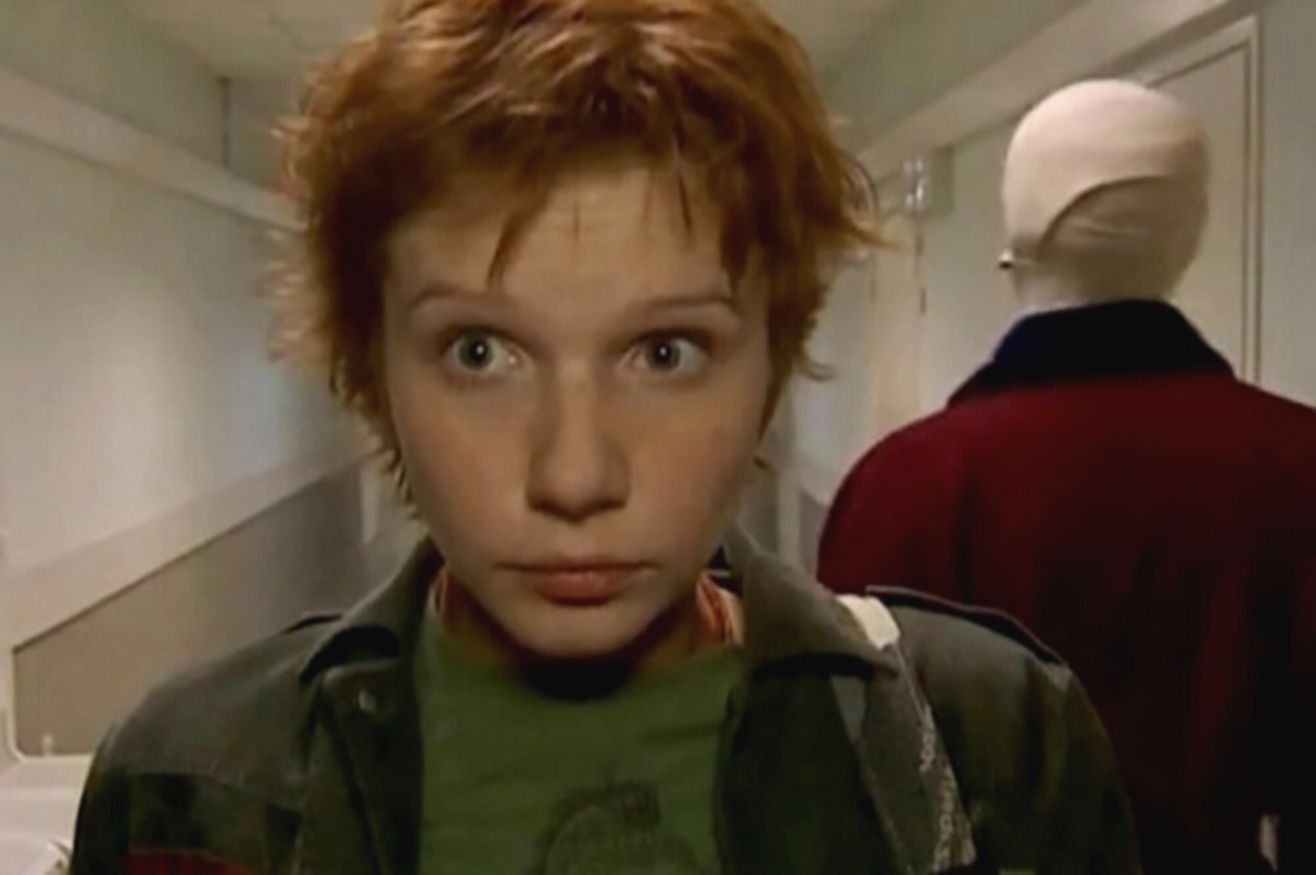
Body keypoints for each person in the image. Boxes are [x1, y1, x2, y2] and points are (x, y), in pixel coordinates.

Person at [70, 6, 1139, 874]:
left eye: (665, 352)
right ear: (371, 372)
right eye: (480, 352)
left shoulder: (992, 748)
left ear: (772, 364)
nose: (574, 474)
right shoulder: (187, 790)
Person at [818, 80, 1316, 873]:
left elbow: (846, 789)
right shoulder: (1295, 465)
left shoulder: (901, 486)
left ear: (1018, 233)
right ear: (1189, 234)